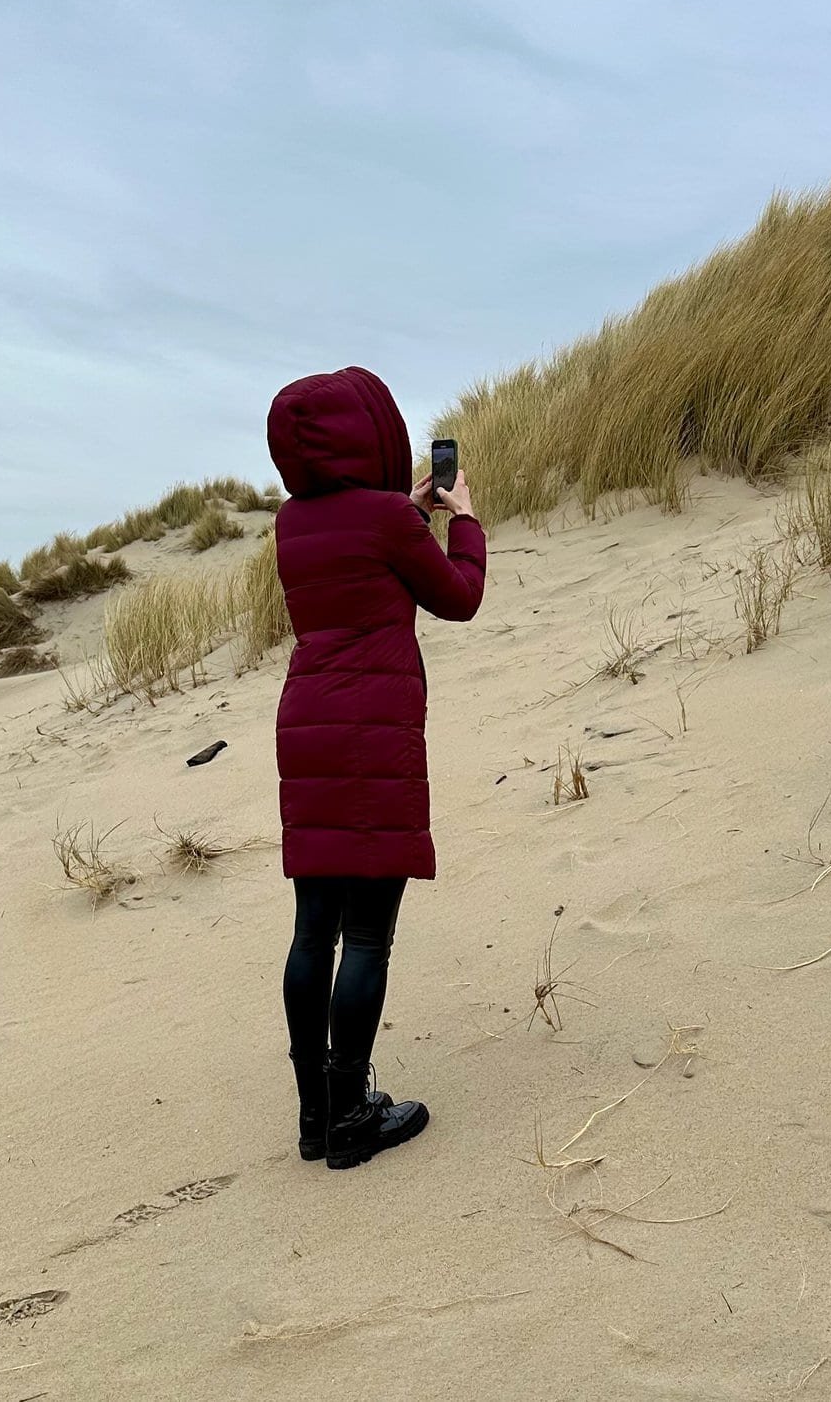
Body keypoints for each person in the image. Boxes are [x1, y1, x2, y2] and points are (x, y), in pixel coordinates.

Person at [266, 366, 487, 1169]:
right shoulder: (389, 519)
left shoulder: (291, 522)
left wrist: (408, 510)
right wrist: (464, 521)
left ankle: (315, 1117)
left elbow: (357, 556)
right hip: (375, 733)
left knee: (312, 930)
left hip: (308, 727)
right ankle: (353, 1116)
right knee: (367, 934)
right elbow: (458, 597)